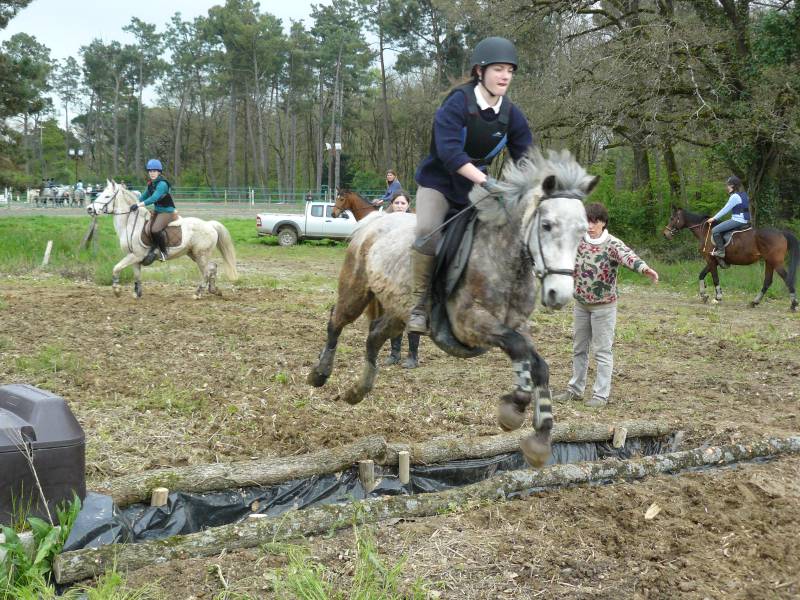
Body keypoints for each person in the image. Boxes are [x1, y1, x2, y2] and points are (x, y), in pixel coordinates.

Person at [408, 36, 534, 333]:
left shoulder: (511, 114)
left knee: (503, 234)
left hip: (476, 188)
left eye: (510, 71)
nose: (505, 76)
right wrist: (487, 182)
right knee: (427, 231)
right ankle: (419, 305)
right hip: (440, 182)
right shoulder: (457, 103)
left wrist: (534, 187)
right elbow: (450, 154)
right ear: (480, 71)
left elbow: (526, 157)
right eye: (498, 69)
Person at [554, 203, 659, 408]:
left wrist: (644, 269)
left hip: (604, 307)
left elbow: (629, 257)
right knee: (579, 348)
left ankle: (600, 395)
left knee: (602, 351)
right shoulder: (576, 241)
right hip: (581, 304)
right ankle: (575, 390)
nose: (590, 226)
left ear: (603, 223)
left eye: (595, 222)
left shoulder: (612, 244)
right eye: (587, 221)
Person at [383, 191, 422, 368]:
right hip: (391, 275)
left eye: (403, 203)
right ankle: (394, 354)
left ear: (408, 205)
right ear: (392, 204)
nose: (399, 206)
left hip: (411, 275)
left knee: (412, 315)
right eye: (397, 203)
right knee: (393, 315)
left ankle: (413, 356)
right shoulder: (385, 223)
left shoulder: (416, 223)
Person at [130, 159, 176, 266]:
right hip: (157, 211)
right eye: (150, 171)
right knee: (146, 226)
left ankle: (164, 252)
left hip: (167, 211)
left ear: (159, 172)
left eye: (154, 171)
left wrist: (138, 205)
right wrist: (133, 203)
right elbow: (143, 196)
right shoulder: (151, 184)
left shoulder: (162, 184)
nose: (152, 173)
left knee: (155, 229)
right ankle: (153, 247)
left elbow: (154, 198)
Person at [707, 175, 750, 265]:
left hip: (738, 220)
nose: (727, 187)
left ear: (732, 186)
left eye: (728, 185)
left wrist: (714, 218)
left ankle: (721, 252)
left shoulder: (734, 196)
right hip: (746, 220)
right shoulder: (744, 195)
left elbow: (725, 210)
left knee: (715, 230)